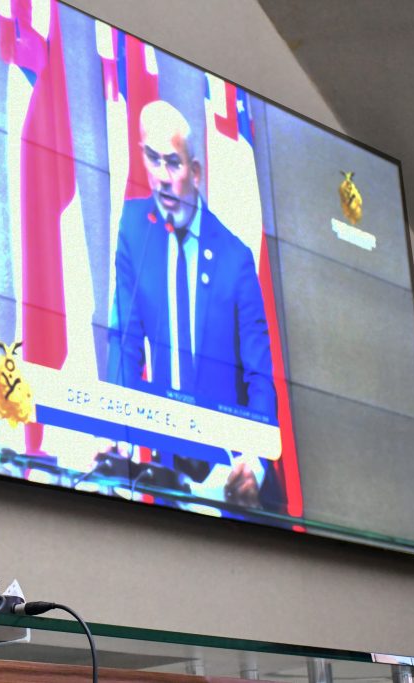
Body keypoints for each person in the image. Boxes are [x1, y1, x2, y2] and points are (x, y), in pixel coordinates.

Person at [106, 102, 275, 507]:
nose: (162, 178)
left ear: (196, 172)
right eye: (152, 159)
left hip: (223, 474)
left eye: (173, 164)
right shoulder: (133, 227)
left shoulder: (235, 258)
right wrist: (115, 427)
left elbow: (259, 374)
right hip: (161, 473)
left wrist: (255, 458)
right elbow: (125, 342)